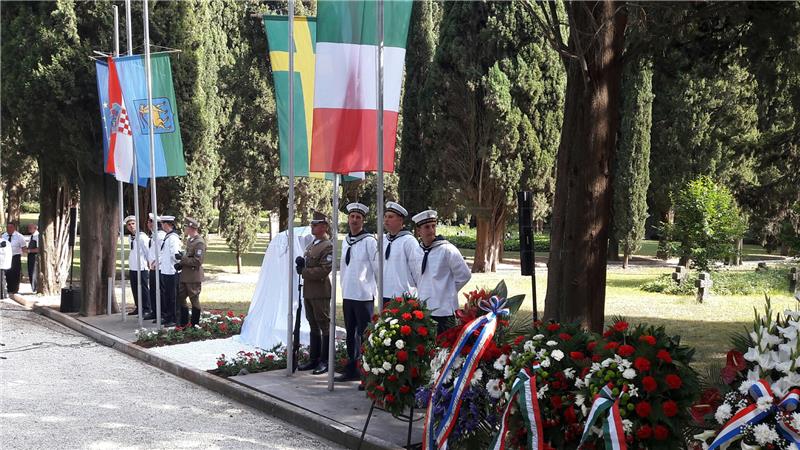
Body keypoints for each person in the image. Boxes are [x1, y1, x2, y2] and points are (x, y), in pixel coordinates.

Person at [335, 202, 378, 383]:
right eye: (352, 216)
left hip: (363, 295)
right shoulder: (345, 240)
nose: (354, 220)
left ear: (363, 220)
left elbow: (376, 268)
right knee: (350, 333)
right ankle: (351, 368)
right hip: (348, 294)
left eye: (358, 217)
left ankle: (366, 372)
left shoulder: (369, 241)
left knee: (365, 334)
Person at [412, 210, 471, 335]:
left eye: (433, 226)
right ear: (418, 231)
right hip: (424, 310)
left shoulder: (447, 250)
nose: (431, 230)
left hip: (445, 310)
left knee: (444, 349)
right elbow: (416, 276)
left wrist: (448, 289)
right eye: (427, 227)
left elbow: (464, 275)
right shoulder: (417, 251)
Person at [296, 211, 333, 375]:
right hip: (309, 290)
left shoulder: (327, 245)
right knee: (312, 325)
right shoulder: (313, 244)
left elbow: (324, 270)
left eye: (316, 224)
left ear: (324, 226)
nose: (312, 226)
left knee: (324, 325)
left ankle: (325, 360)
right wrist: (301, 264)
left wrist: (304, 271)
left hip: (320, 291)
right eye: (312, 223)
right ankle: (314, 359)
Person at [382, 201, 422, 307]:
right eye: (385, 216)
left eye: (390, 217)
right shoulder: (384, 240)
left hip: (403, 296)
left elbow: (418, 271)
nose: (386, 220)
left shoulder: (409, 241)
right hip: (384, 293)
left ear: (400, 220)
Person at [175, 217, 205, 327]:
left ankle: (194, 325)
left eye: (186, 226)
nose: (185, 228)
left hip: (193, 276)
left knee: (194, 299)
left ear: (191, 227)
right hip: (185, 275)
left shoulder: (199, 242)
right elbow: (188, 256)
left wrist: (182, 259)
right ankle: (183, 323)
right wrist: (180, 264)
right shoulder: (190, 240)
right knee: (181, 297)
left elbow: (198, 261)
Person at [124, 216, 152, 319]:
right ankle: (138, 307)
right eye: (129, 224)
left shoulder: (142, 236)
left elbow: (147, 251)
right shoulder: (131, 237)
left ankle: (146, 308)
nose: (131, 226)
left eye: (133, 224)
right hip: (133, 266)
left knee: (143, 288)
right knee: (135, 288)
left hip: (142, 267)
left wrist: (149, 263)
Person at [157, 215, 182, 327]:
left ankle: (173, 318)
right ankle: (168, 316)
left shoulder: (173, 238)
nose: (161, 225)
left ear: (167, 224)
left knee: (172, 296)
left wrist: (176, 266)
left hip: (172, 271)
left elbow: (175, 255)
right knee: (167, 295)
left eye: (162, 223)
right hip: (166, 270)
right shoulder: (168, 237)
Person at [146, 214, 166, 323]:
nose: (148, 224)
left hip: (159, 267)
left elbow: (163, 251)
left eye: (150, 222)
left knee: (160, 291)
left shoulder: (161, 235)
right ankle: (155, 311)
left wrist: (157, 262)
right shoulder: (154, 235)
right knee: (153, 291)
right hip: (153, 267)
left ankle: (162, 313)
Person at [2, 222, 26, 294]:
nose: (9, 229)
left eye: (10, 227)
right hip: (6, 257)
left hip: (15, 256)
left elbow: (24, 248)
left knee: (15, 273)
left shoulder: (19, 236)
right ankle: (8, 288)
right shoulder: (4, 236)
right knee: (7, 272)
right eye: (7, 227)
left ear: (14, 228)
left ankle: (15, 289)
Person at [24, 223, 39, 293]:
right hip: (30, 256)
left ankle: (35, 288)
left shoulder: (37, 236)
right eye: (28, 227)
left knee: (34, 272)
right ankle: (33, 287)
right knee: (30, 271)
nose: (29, 229)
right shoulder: (32, 236)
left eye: (31, 227)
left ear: (35, 228)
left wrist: (29, 250)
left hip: (35, 257)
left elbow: (39, 249)